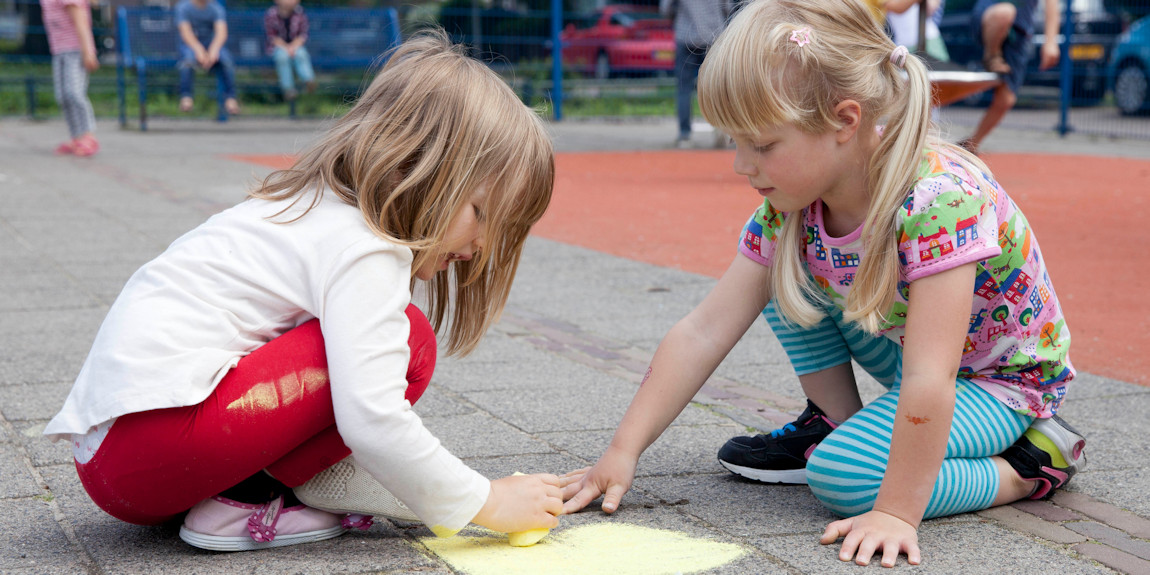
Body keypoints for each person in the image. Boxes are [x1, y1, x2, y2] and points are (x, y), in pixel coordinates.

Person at [561, 0, 1083, 567]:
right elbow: (704, 330)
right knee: (785, 279)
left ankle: (1030, 466)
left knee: (843, 478)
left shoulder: (939, 199)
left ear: (844, 120)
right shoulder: (794, 208)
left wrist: (896, 511)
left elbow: (932, 378)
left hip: (998, 381)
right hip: (911, 351)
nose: (741, 165)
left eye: (761, 145)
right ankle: (834, 421)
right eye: (734, 141)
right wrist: (621, 451)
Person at [43, 30, 562, 552]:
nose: (482, 245)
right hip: (152, 451)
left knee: (388, 338)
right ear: (421, 167)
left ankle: (271, 488)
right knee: (410, 341)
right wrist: (487, 501)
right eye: (481, 214)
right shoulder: (364, 246)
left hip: (112, 457)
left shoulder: (311, 206)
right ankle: (243, 503)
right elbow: (374, 420)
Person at [959, 0, 1060, 154]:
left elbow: (1052, 3)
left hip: (1018, 33)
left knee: (1006, 99)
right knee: (1004, 12)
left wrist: (1051, 41)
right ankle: (991, 55)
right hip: (990, 18)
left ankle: (970, 146)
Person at [658, 0, 735, 148]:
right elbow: (728, 8)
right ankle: (721, 128)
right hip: (712, 34)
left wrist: (678, 15)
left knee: (684, 89)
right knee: (716, 87)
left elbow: (666, 8)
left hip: (685, 35)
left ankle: (685, 135)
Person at [40, 0, 99, 156]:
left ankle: (88, 136)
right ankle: (77, 137)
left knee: (74, 93)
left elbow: (81, 21)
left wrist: (88, 52)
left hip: (75, 50)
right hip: (59, 50)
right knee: (63, 96)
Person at [175, 0, 240, 115]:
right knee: (187, 61)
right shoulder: (183, 7)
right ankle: (186, 96)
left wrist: (213, 50)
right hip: (190, 46)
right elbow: (186, 33)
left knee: (226, 59)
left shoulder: (216, 8)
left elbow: (221, 32)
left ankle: (230, 97)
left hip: (211, 46)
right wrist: (199, 50)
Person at [264, 0, 316, 101]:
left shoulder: (300, 13)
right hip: (278, 48)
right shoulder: (271, 14)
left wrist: (292, 47)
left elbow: (303, 35)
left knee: (301, 54)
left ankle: (308, 81)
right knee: (282, 57)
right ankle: (288, 89)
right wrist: (286, 48)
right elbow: (272, 37)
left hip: (296, 47)